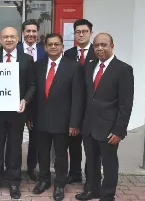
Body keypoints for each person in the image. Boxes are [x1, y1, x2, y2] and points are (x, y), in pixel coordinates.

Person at [75, 33, 134, 201]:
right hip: (89, 125)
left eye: (104, 45)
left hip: (109, 127)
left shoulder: (123, 69)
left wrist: (119, 130)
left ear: (112, 46)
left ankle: (107, 194)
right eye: (96, 45)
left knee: (109, 163)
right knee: (91, 161)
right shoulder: (90, 65)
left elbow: (126, 104)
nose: (100, 48)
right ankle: (92, 189)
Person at [32, 33, 85, 201]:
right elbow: (33, 93)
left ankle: (60, 184)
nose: (53, 47)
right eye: (50, 44)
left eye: (56, 44)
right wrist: (30, 117)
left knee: (61, 155)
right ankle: (44, 180)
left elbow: (78, 97)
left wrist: (75, 122)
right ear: (45, 47)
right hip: (40, 119)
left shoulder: (74, 66)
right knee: (42, 153)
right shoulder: (38, 66)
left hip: (63, 120)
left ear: (62, 46)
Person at [0, 27, 35, 199]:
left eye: (12, 37)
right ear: (0, 40)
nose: (8, 39)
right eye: (5, 37)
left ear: (17, 39)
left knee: (15, 147)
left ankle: (14, 182)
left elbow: (32, 85)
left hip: (17, 112)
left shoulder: (27, 59)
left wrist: (25, 101)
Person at [63, 19, 97, 185]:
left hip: (92, 108)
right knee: (73, 143)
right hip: (72, 106)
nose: (81, 34)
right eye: (78, 32)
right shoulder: (68, 54)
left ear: (91, 33)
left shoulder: (97, 52)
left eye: (84, 31)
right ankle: (74, 172)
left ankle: (91, 177)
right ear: (74, 34)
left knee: (90, 146)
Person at [16, 19, 48, 182]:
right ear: (23, 33)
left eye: (34, 31)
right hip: (17, 102)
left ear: (38, 33)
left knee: (36, 138)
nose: (31, 34)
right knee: (15, 137)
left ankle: (31, 167)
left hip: (38, 103)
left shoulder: (45, 51)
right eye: (27, 31)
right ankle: (13, 168)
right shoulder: (15, 49)